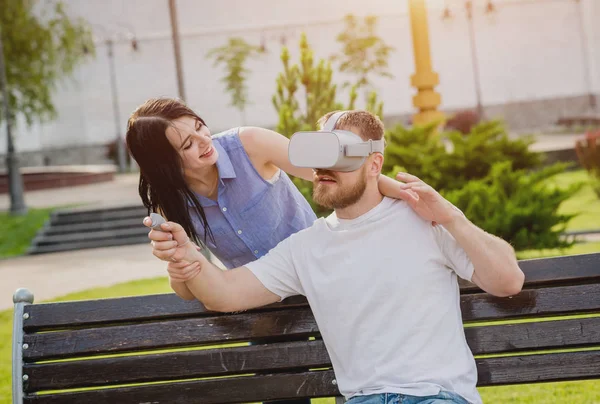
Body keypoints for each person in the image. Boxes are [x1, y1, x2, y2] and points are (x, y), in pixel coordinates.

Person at [146, 109, 524, 404]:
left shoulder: (426, 221)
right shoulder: (305, 248)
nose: (324, 166)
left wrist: (450, 215)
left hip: (436, 396)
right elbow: (223, 292)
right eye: (318, 152)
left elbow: (508, 280)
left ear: (373, 163)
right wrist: (184, 253)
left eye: (340, 152)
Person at [128, 99, 406, 404]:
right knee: (280, 395)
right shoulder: (169, 201)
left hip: (324, 279)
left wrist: (413, 197)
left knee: (358, 384)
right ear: (164, 162)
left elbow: (342, 174)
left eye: (199, 127)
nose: (205, 141)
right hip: (263, 305)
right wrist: (176, 266)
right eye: (187, 145)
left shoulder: (251, 144)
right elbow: (186, 290)